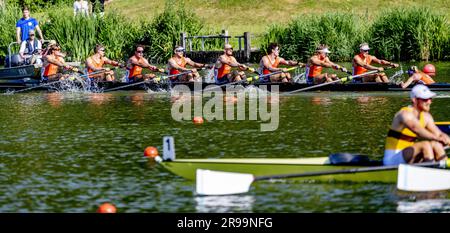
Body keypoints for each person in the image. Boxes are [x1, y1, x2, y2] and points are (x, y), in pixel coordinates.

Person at [383, 84, 450, 165]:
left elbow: (439, 134)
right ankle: (431, 172)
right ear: (415, 100)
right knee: (425, 145)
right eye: (425, 99)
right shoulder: (404, 114)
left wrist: (445, 139)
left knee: (436, 145)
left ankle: (444, 169)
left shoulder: (426, 117)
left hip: (409, 157)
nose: (429, 102)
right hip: (392, 159)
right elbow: (416, 129)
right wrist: (437, 138)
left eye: (430, 99)